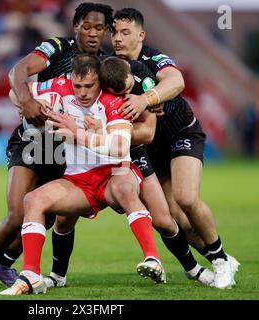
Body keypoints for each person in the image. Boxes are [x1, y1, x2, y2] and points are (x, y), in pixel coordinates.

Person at [0, 2, 115, 290]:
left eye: (99, 28)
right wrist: (27, 99)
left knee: (42, 215)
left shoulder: (106, 65)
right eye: (87, 26)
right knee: (17, 214)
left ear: (106, 31)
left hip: (67, 150)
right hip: (34, 141)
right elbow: (18, 71)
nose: (93, 33)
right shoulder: (58, 47)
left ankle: (5, 266)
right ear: (76, 26)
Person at [42, 56, 215, 289]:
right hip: (89, 165)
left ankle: (193, 269)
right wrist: (29, 106)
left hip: (130, 157)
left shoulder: (141, 86)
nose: (123, 94)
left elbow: (147, 134)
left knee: (163, 219)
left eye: (126, 90)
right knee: (64, 220)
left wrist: (103, 133)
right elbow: (33, 91)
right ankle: (57, 276)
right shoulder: (90, 85)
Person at [0, 54, 165, 295]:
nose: (83, 92)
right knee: (33, 200)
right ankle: (31, 275)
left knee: (125, 190)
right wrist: (29, 105)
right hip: (79, 179)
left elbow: (120, 146)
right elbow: (14, 92)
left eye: (89, 86)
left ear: (99, 81)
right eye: (78, 86)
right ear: (71, 80)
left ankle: (153, 259)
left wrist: (79, 134)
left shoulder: (114, 100)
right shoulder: (60, 87)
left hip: (115, 172)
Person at [110, 8, 239, 289]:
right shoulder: (110, 66)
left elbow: (176, 81)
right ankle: (220, 256)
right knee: (171, 219)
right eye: (115, 32)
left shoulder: (153, 58)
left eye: (125, 32)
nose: (117, 38)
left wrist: (146, 99)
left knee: (186, 198)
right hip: (149, 147)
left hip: (181, 133)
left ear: (141, 35)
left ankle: (219, 263)